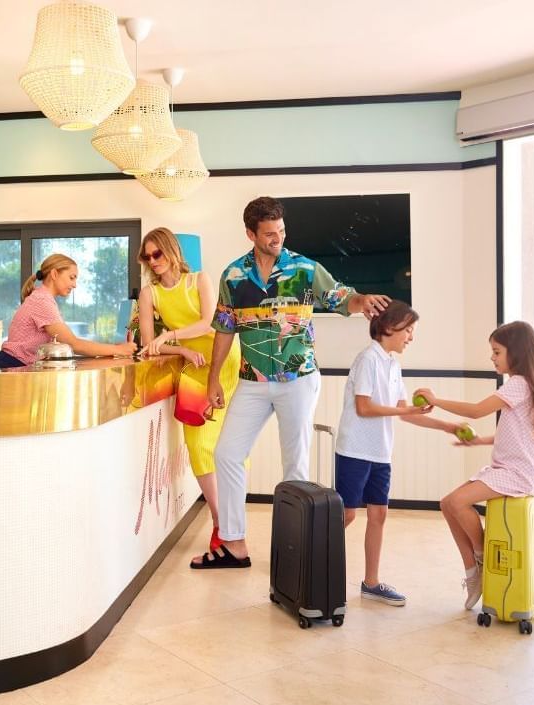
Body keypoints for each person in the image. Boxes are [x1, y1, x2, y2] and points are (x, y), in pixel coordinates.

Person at [191, 196, 391, 569]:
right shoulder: (233, 276)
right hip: (251, 380)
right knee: (226, 454)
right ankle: (234, 544)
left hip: (297, 379)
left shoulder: (304, 268)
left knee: (295, 466)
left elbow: (340, 296)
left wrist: (362, 301)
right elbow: (224, 329)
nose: (277, 238)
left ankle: (294, 550)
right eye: (268, 233)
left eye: (281, 231)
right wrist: (213, 379)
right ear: (250, 233)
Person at [413, 320, 534, 610]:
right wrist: (479, 442)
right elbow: (519, 437)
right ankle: (473, 571)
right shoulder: (528, 385)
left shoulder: (518, 384)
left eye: (497, 351)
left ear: (516, 352)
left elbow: (476, 410)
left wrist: (436, 400)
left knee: (455, 502)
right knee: (447, 503)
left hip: (518, 474)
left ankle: (483, 559)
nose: (492, 357)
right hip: (514, 470)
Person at [335, 300, 462, 605]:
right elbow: (364, 408)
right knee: (347, 515)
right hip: (354, 449)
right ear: (390, 327)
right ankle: (309, 561)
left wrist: (446, 425)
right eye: (409, 330)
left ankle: (371, 582)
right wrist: (400, 410)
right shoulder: (368, 359)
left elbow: (404, 413)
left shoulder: (393, 364)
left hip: (380, 452)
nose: (411, 337)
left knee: (379, 514)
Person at [137, 227, 242, 553]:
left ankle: (233, 522)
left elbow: (210, 323)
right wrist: (180, 350)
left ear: (171, 251)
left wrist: (170, 336)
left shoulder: (199, 280)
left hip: (223, 359)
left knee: (229, 443)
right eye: (147, 256)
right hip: (194, 365)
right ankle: (220, 522)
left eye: (158, 253)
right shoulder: (148, 294)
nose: (153, 261)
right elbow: (146, 345)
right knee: (198, 444)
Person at [0, 253, 136, 368]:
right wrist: (120, 350)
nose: (75, 285)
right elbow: (73, 344)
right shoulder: (41, 301)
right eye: (72, 278)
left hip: (14, 365)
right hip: (10, 366)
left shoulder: (43, 298)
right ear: (54, 274)